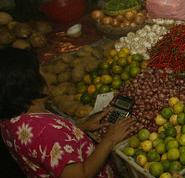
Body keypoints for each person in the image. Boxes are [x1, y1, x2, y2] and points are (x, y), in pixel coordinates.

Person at [0, 48, 135, 178]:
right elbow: (80, 175)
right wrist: (110, 139)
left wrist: (78, 129)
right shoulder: (45, 131)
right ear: (32, 83)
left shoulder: (11, 121)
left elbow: (45, 148)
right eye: (41, 71)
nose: (46, 75)